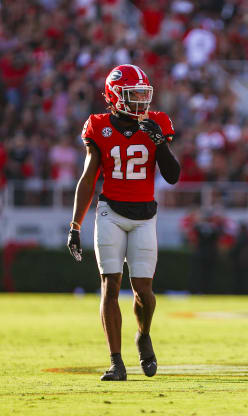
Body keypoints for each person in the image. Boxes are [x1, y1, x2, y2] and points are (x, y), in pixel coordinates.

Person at [66, 64, 180, 381]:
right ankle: (116, 362)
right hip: (110, 212)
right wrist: (75, 225)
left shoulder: (156, 123)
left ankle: (143, 335)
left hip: (146, 215)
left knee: (144, 291)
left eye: (144, 95)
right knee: (110, 285)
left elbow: (173, 176)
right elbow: (88, 179)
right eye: (134, 95)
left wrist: (161, 144)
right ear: (116, 96)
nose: (142, 102)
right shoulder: (98, 126)